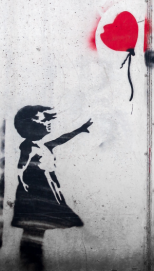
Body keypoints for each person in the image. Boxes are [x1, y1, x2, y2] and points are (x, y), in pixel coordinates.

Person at [11, 105, 93, 271]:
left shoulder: (44, 146)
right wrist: (23, 182)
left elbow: (62, 139)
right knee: (33, 230)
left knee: (36, 231)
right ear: (30, 126)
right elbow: (21, 166)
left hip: (44, 191)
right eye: (43, 119)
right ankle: (30, 264)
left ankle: (32, 263)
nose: (48, 122)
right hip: (35, 194)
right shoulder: (29, 146)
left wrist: (80, 129)